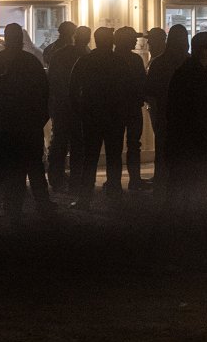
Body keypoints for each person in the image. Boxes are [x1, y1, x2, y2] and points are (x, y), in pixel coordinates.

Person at [0, 23, 54, 225]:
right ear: (21, 38)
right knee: (34, 167)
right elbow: (44, 94)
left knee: (0, 170)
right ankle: (42, 204)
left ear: (6, 38)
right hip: (28, 126)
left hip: (3, 127)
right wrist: (39, 120)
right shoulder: (31, 62)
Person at [68, 26, 129, 208]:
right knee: (114, 156)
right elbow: (128, 89)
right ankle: (114, 192)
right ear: (110, 41)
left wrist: (79, 110)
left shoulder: (85, 60)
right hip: (114, 116)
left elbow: (72, 88)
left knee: (90, 156)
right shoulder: (119, 62)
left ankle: (85, 196)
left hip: (91, 115)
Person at [164, 31, 207, 210]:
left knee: (184, 182)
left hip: (190, 135)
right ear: (199, 50)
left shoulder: (194, 71)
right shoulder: (193, 73)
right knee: (188, 180)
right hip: (192, 136)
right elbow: (196, 108)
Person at [144, 23, 189, 195]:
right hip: (185, 115)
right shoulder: (190, 61)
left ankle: (162, 182)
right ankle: (183, 184)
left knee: (163, 148)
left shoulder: (159, 62)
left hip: (163, 112)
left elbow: (149, 90)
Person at [47, 25, 91, 193]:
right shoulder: (86, 55)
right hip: (79, 107)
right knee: (77, 144)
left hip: (61, 105)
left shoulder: (58, 53)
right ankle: (75, 180)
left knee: (60, 141)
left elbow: (52, 80)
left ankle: (56, 178)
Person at [115, 26, 153, 192]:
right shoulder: (134, 60)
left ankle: (114, 181)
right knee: (133, 145)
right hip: (132, 108)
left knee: (114, 145)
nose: (136, 41)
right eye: (133, 38)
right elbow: (142, 83)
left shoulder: (111, 58)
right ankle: (134, 180)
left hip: (114, 109)